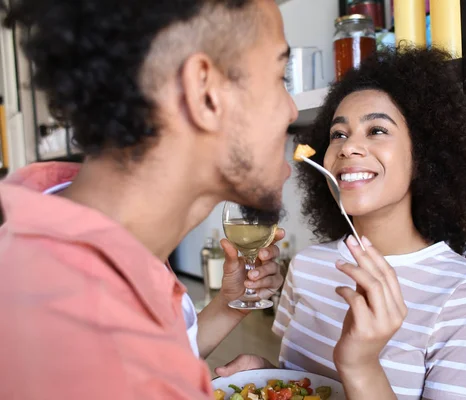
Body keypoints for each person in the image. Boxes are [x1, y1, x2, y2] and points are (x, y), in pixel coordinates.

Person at [0, 0, 297, 399]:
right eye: (280, 76)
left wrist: (229, 307)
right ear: (205, 93)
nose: (292, 111)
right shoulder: (88, 341)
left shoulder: (95, 244)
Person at [217, 46, 466, 400]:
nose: (347, 147)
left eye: (376, 130)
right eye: (338, 134)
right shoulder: (306, 266)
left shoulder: (465, 295)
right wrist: (265, 375)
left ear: (424, 155)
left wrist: (361, 365)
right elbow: (305, 382)